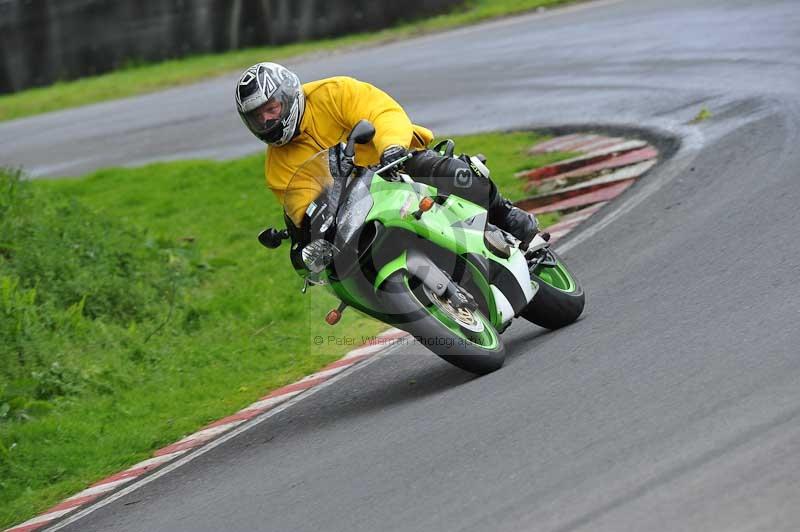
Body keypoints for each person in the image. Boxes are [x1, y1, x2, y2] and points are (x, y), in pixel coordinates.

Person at [234, 62, 539, 247]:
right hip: (356, 209)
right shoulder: (277, 168)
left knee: (455, 172)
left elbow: (381, 112)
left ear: (287, 96)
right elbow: (302, 208)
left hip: (393, 165)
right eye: (257, 118)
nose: (267, 121)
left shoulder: (333, 92)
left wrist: (392, 146)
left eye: (270, 109)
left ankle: (506, 216)